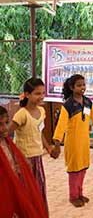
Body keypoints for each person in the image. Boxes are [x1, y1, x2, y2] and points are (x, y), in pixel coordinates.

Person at [51, 74, 93, 207]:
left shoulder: (87, 102)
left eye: (84, 85)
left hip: (84, 142)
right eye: (79, 85)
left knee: (83, 168)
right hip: (73, 143)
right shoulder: (68, 106)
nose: (82, 88)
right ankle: (73, 196)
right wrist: (57, 144)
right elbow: (61, 125)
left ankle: (80, 193)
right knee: (74, 169)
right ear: (72, 87)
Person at [9, 77, 51, 212]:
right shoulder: (22, 114)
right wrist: (13, 157)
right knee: (26, 189)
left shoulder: (42, 111)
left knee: (39, 188)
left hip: (37, 157)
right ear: (27, 95)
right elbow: (7, 133)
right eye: (37, 93)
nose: (41, 96)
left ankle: (39, 212)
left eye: (43, 93)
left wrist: (48, 147)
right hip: (24, 159)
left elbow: (40, 131)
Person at [0, 106, 48, 218]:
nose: (4, 128)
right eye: (0, 124)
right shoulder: (22, 114)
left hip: (14, 187)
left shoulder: (6, 142)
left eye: (6, 123)